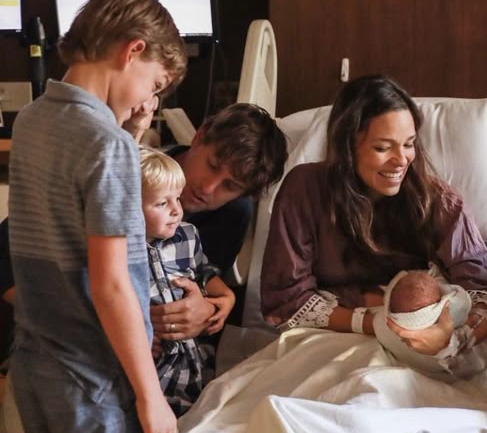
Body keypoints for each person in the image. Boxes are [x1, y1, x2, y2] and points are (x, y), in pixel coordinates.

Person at [8, 0, 184, 433]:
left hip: (36, 367)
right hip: (93, 381)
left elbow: (69, 217)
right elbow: (109, 285)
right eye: (153, 84)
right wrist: (149, 393)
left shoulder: (32, 120)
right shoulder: (102, 142)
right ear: (132, 50)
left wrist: (129, 134)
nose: (147, 100)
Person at [260, 74, 487, 374]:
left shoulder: (438, 201)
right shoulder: (305, 189)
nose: (401, 160)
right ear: (348, 146)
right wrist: (377, 324)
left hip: (419, 346)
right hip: (332, 340)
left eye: (409, 144)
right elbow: (284, 299)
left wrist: (455, 339)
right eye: (383, 148)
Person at [0, 100, 288, 344]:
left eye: (230, 186)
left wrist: (212, 309)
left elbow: (202, 278)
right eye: (212, 166)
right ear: (199, 137)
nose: (209, 188)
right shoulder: (129, 172)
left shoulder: (232, 213)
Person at [140, 147, 235, 416]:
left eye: (177, 199)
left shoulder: (187, 235)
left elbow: (204, 270)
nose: (176, 211)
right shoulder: (117, 247)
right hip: (146, 355)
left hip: (188, 356)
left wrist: (225, 297)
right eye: (162, 204)